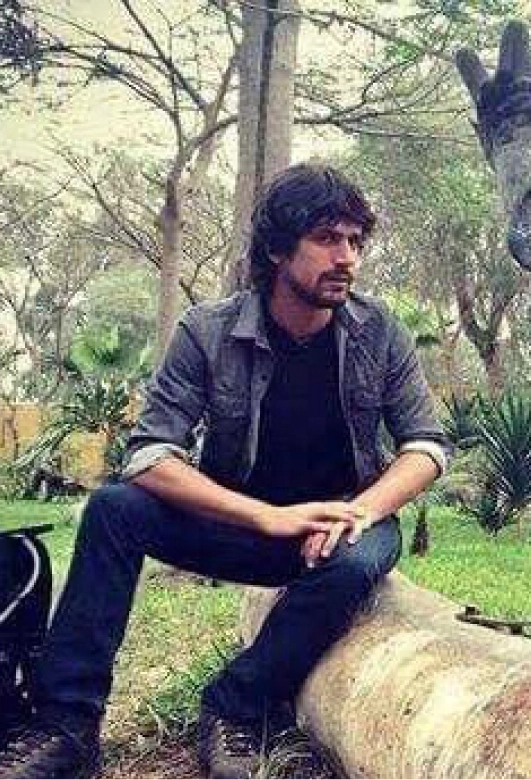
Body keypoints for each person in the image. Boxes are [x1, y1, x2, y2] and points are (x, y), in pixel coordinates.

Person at [0, 163, 451, 780]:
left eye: (354, 241)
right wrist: (269, 516)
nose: (346, 256)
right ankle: (67, 725)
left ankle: (236, 706)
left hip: (339, 527)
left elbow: (425, 444)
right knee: (113, 509)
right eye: (326, 238)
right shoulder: (207, 331)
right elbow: (150, 455)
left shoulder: (380, 332)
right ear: (275, 249)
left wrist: (363, 511)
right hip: (239, 523)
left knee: (360, 555)